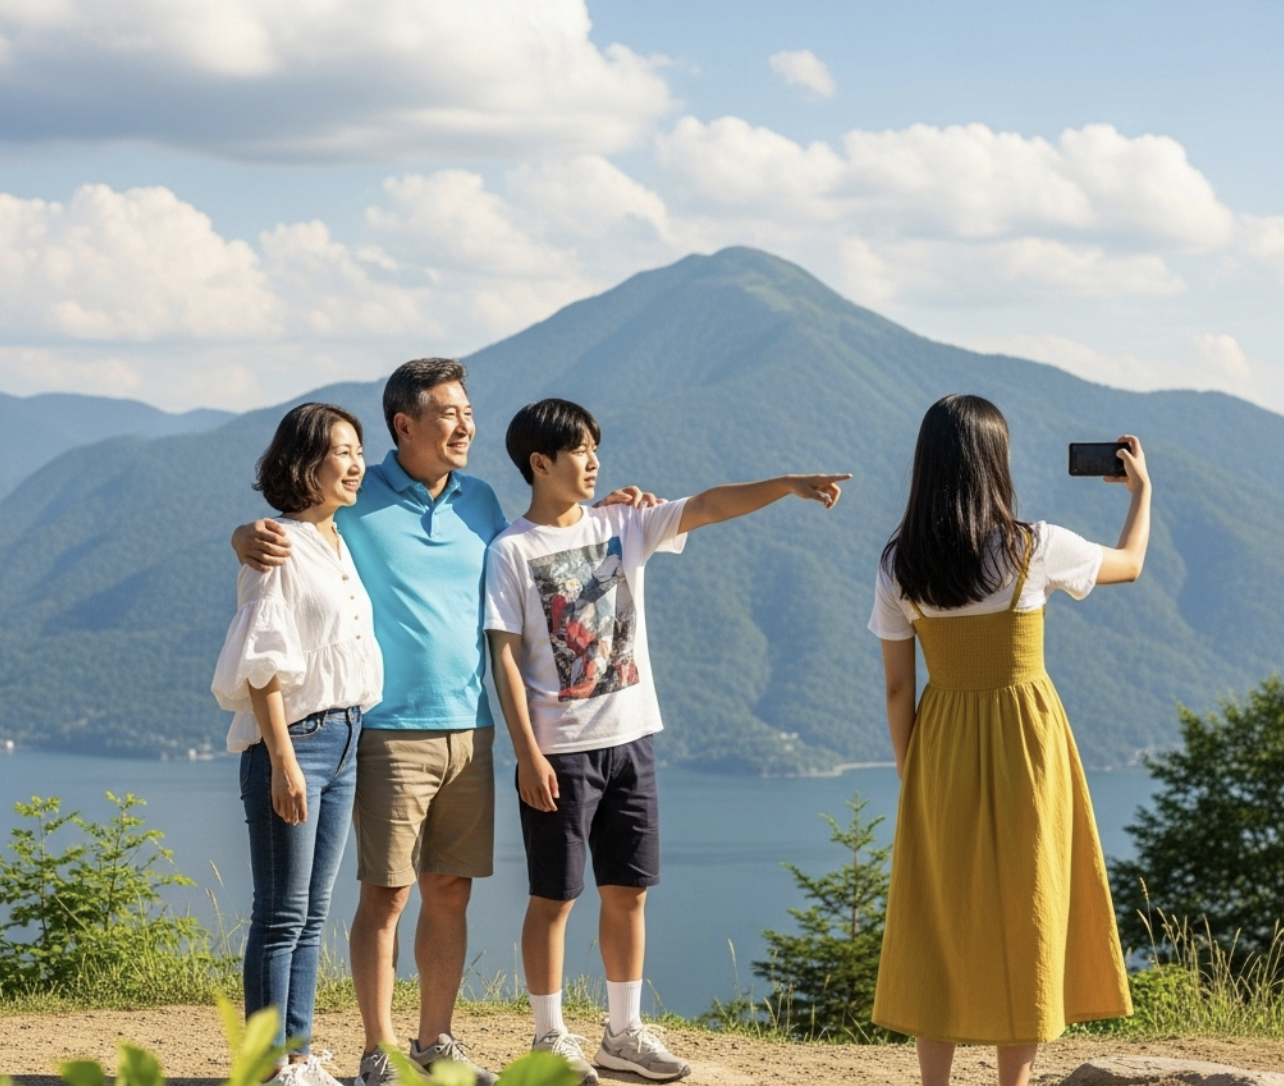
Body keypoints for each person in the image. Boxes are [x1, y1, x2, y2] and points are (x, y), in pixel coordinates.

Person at [232, 360, 654, 1086]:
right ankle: (379, 1050)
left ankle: (434, 1043)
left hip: (472, 725)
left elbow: (542, 543)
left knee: (450, 889)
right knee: (387, 895)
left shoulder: (480, 500)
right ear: (405, 424)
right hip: (386, 729)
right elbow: (295, 530)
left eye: (469, 412)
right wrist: (244, 535)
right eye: (450, 413)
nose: (467, 426)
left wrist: (607, 513)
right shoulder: (357, 497)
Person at [484, 398, 849, 1084]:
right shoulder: (511, 550)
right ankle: (549, 1037)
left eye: (596, 447)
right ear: (540, 462)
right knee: (554, 898)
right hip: (559, 752)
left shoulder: (623, 523)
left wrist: (787, 485)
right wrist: (527, 752)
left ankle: (622, 1033)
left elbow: (708, 505)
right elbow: (502, 654)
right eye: (580, 450)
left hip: (632, 741)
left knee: (629, 891)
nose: (594, 461)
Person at [868, 395, 1150, 1086]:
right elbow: (1130, 562)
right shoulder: (1034, 546)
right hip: (1028, 744)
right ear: (995, 463)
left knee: (940, 915)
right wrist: (1141, 492)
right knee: (1027, 907)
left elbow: (899, 689)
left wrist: (913, 771)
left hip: (941, 746)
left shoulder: (900, 564)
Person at [212, 403, 383, 1086]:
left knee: (311, 915)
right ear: (305, 461)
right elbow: (263, 665)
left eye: (359, 451)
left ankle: (299, 1056)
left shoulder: (336, 540)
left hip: (345, 737)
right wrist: (283, 761)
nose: (357, 464)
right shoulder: (276, 546)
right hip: (298, 744)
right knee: (281, 915)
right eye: (343, 452)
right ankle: (265, 1064)